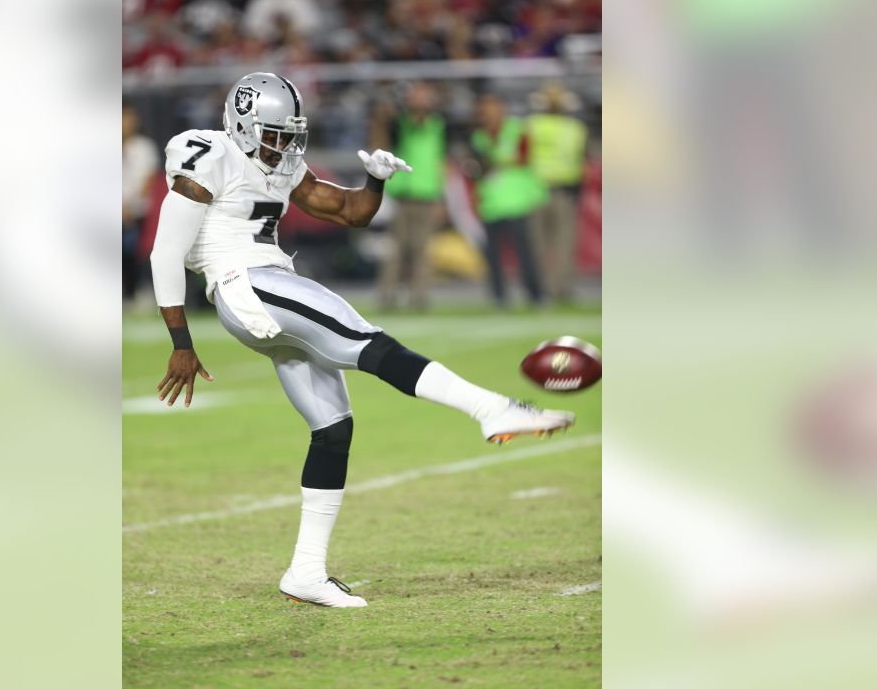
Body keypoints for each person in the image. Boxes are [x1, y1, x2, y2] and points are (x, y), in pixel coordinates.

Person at [149, 73, 575, 608]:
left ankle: (305, 572)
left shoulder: (280, 165)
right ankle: (491, 409)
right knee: (366, 339)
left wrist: (373, 181)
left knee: (332, 428)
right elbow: (165, 254)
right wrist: (180, 341)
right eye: (275, 133)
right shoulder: (209, 154)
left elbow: (348, 212)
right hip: (245, 283)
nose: (285, 145)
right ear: (241, 123)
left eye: (291, 134)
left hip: (271, 289)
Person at [375, 81, 447, 311]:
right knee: (397, 249)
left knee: (422, 249)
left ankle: (419, 298)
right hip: (403, 193)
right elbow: (385, 138)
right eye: (417, 95)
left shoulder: (438, 125)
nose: (420, 100)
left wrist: (441, 196)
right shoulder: (401, 123)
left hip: (426, 194)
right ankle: (387, 296)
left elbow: (440, 162)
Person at [470, 94, 548, 308]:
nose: (487, 114)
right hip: (491, 203)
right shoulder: (479, 136)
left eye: (491, 108)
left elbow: (524, 158)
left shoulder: (517, 129)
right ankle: (499, 297)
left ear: (501, 109)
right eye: (484, 110)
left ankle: (536, 295)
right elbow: (477, 167)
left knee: (525, 253)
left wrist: (494, 161)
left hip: (517, 201)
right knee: (492, 255)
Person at [527, 82, 588, 302]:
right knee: (563, 244)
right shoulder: (575, 128)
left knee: (540, 245)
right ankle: (560, 288)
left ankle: (545, 290)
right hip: (563, 190)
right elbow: (580, 161)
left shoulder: (533, 125)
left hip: (538, 189)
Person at [123, 106, 160, 304]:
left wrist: (129, 206)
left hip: (138, 212)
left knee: (134, 247)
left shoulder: (143, 147)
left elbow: (148, 182)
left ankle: (141, 289)